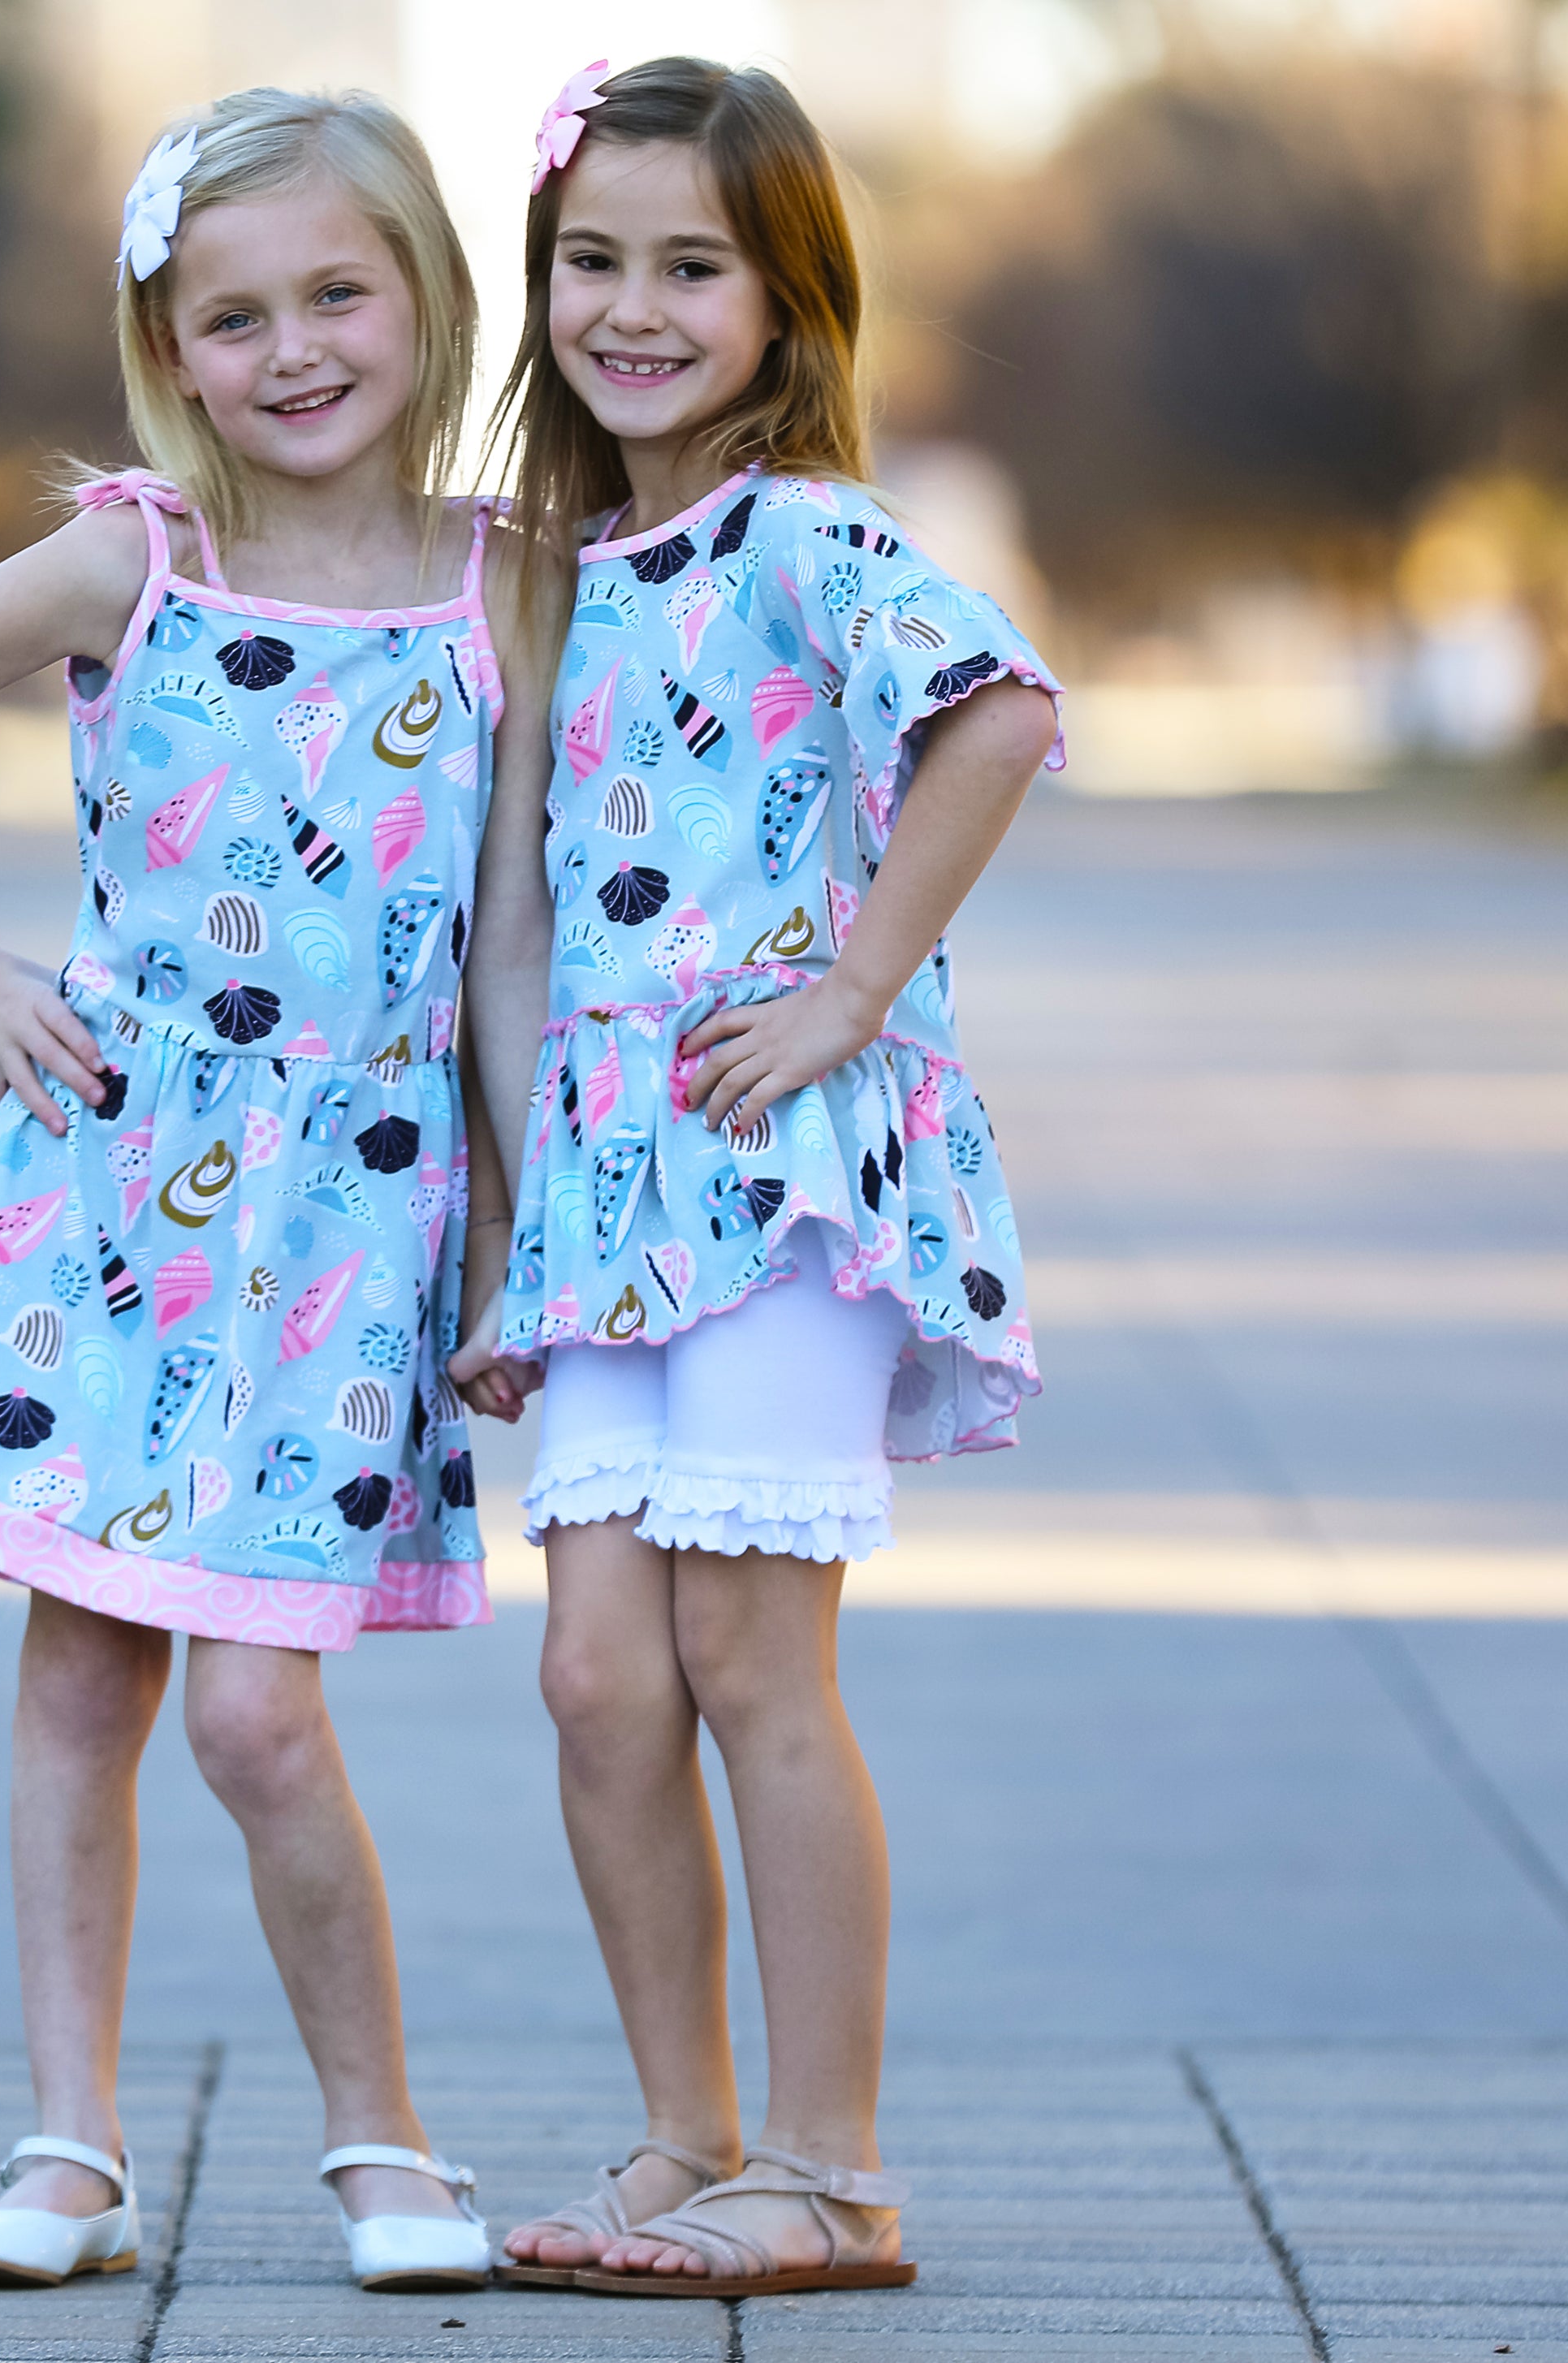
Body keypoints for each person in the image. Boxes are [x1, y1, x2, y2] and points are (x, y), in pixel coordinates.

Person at [0, 85, 555, 2296]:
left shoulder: (509, 582)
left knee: (256, 1708)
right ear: (168, 348)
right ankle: (68, 2156)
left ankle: (386, 2146)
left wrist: (515, 1231)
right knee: (84, 1685)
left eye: (334, 296)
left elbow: (499, 944)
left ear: (424, 301)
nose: (290, 349)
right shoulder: (134, 560)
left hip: (354, 1228)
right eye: (233, 316)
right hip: (107, 1210)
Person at [451, 55, 1064, 2300]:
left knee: (748, 1649)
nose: (631, 304)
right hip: (612, 1196)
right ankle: (690, 2136)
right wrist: (512, 1230)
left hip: (788, 1165)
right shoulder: (556, 572)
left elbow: (998, 714)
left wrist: (855, 989)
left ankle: (832, 2167)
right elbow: (513, 920)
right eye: (590, 260)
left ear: (785, 298)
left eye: (688, 264)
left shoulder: (811, 536)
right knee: (598, 1678)